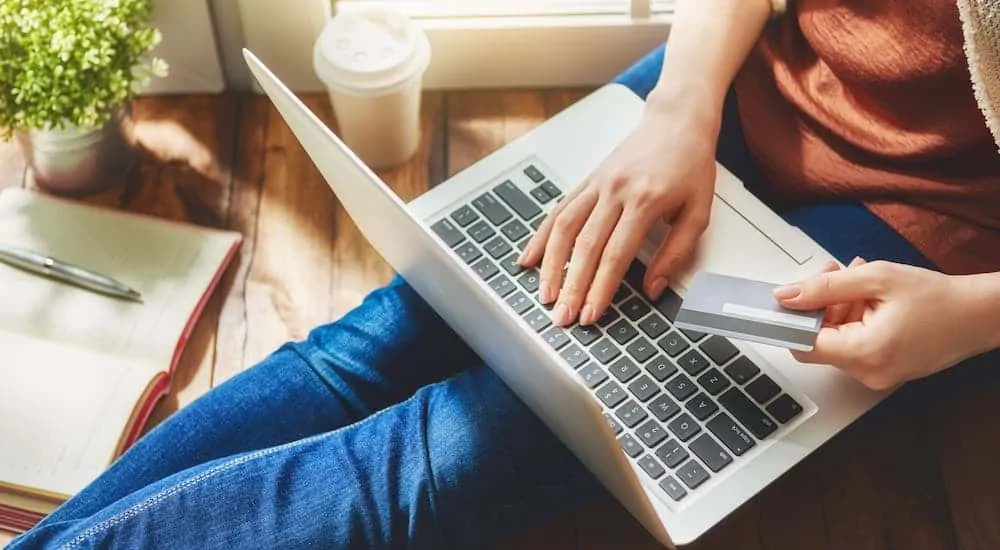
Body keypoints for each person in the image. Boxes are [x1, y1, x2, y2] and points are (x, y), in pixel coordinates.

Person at [9, 0, 1000, 548]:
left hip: (938, 239)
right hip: (734, 91)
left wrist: (966, 316)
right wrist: (682, 106)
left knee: (439, 457)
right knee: (380, 339)